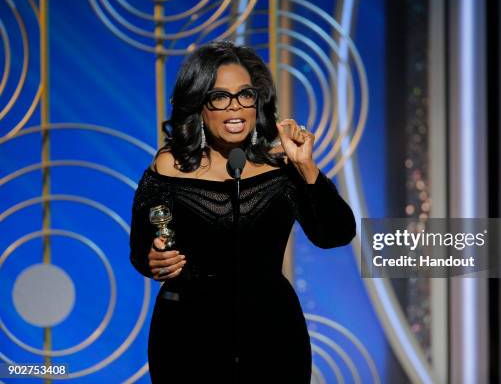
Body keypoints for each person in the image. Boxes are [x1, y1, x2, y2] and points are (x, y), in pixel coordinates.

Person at [128, 40, 356, 383]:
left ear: (257, 101)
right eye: (220, 97)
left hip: (274, 338)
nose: (235, 108)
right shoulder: (170, 166)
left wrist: (307, 168)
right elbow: (141, 250)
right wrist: (153, 259)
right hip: (186, 339)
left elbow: (336, 234)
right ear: (199, 105)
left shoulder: (282, 169)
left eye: (245, 95)